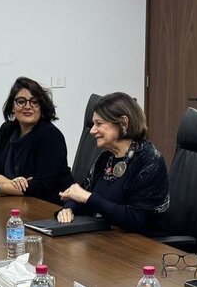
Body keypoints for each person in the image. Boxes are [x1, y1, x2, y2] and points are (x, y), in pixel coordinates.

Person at [56, 92, 169, 232]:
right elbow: (82, 192)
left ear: (123, 123)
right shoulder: (106, 158)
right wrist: (69, 209)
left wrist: (88, 198)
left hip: (140, 242)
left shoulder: (149, 160)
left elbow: (135, 219)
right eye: (93, 124)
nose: (92, 131)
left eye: (99, 124)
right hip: (105, 236)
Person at [0, 77, 73, 204]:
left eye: (34, 102)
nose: (28, 106)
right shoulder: (7, 129)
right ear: (12, 106)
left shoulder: (51, 136)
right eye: (21, 101)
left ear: (42, 107)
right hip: (16, 202)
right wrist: (14, 184)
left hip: (50, 206)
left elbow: (42, 187)